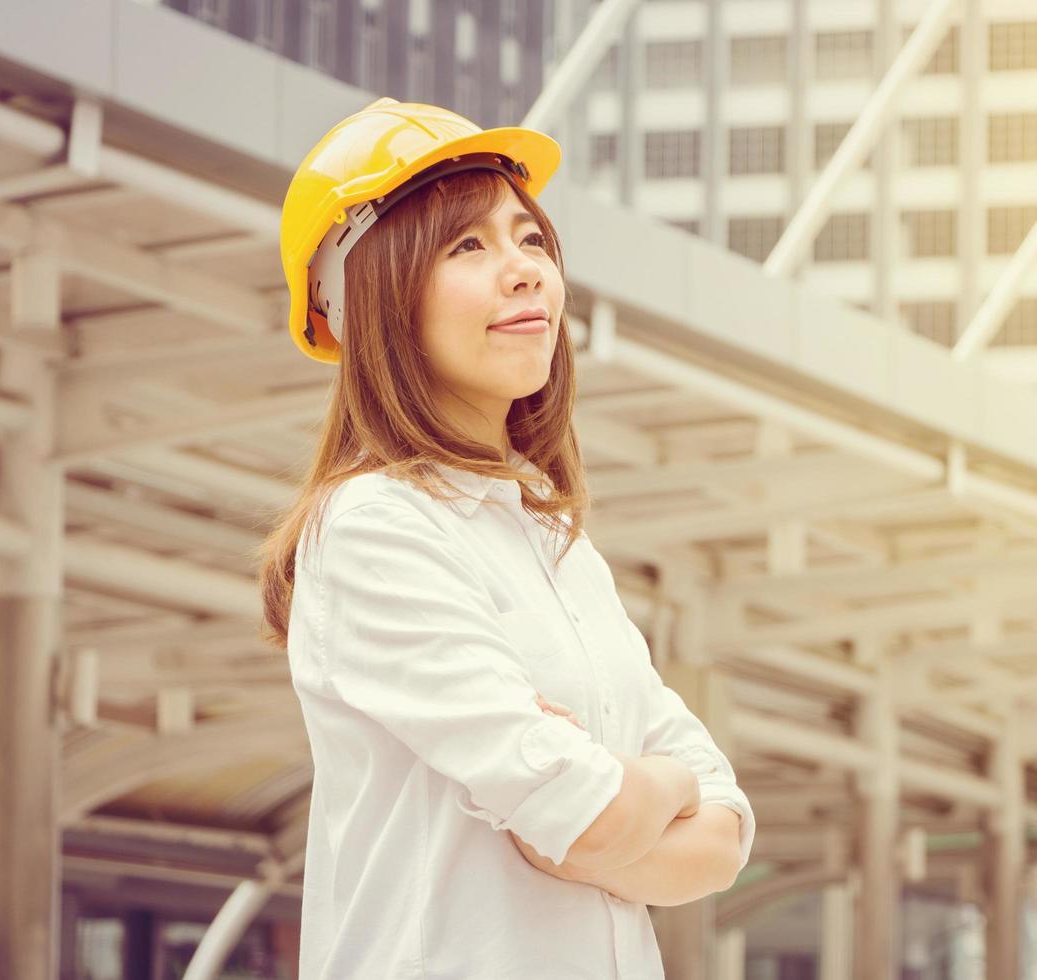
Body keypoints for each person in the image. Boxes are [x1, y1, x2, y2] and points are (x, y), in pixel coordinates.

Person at [255, 97, 755, 979]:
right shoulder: (376, 527)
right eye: (467, 246)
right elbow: (592, 811)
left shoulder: (559, 548)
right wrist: (631, 795)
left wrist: (628, 797)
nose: (524, 270)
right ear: (373, 297)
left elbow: (720, 834)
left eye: (530, 240)